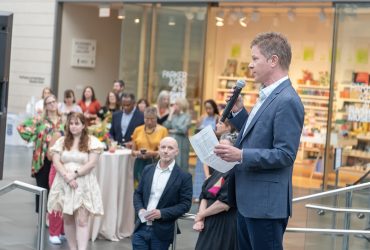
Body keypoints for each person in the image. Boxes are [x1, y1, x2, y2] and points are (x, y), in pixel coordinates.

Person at [214, 32, 305, 250]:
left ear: (273, 60)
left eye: (255, 59)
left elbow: (285, 154)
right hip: (248, 201)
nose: (250, 65)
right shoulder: (268, 94)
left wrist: (241, 155)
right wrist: (238, 113)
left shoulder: (288, 100)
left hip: (265, 205)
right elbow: (258, 134)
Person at [47, 112, 104, 250]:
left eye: (77, 123)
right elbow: (56, 160)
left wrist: (74, 175)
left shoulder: (92, 141)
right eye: (71, 123)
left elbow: (91, 163)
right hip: (64, 183)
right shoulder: (62, 141)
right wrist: (67, 176)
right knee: (67, 219)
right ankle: (72, 248)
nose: (73, 126)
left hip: (83, 184)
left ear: (83, 125)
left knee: (82, 220)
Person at [132, 137, 192, 250]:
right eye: (163, 147)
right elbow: (138, 194)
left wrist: (162, 213)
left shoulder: (184, 177)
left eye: (170, 148)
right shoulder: (148, 169)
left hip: (162, 231)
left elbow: (185, 204)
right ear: (158, 149)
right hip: (141, 227)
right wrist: (140, 210)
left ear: (176, 152)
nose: (166, 150)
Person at [17, 94, 64, 213]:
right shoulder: (39, 120)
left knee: (55, 187)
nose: (53, 104)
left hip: (59, 159)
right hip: (42, 159)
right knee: (42, 187)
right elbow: (21, 127)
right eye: (49, 102)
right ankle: (42, 216)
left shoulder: (63, 119)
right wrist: (33, 137)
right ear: (45, 106)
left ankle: (53, 216)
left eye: (54, 101)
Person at [193, 132, 238, 250]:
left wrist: (201, 215)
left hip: (224, 225)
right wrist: (201, 219)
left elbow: (224, 204)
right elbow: (204, 195)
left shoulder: (235, 172)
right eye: (218, 147)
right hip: (208, 223)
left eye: (224, 148)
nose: (219, 152)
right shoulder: (218, 170)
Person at [131, 107, 169, 186]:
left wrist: (152, 153)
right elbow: (133, 152)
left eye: (152, 119)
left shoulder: (163, 130)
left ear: (156, 118)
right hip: (140, 163)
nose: (149, 122)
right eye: (146, 119)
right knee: (139, 188)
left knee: (154, 189)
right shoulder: (137, 130)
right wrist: (139, 153)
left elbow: (166, 151)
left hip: (156, 163)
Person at [193, 99, 220, 202]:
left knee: (209, 171)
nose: (208, 110)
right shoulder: (202, 118)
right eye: (206, 108)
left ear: (214, 108)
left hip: (212, 147)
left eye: (210, 108)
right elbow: (196, 129)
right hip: (202, 146)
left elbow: (219, 133)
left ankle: (208, 192)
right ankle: (197, 194)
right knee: (199, 171)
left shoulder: (217, 118)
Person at [163, 97, 191, 172]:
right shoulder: (173, 116)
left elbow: (183, 129)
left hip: (182, 142)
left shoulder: (187, 116)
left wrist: (172, 131)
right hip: (172, 142)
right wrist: (170, 114)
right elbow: (166, 126)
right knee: (171, 161)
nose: (174, 106)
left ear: (182, 105)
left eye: (176, 104)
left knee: (181, 162)